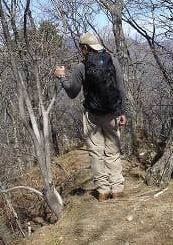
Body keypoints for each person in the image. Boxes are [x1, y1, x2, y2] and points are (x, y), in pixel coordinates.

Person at [54, 32, 127, 202]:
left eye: (82, 48)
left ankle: (103, 191)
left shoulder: (81, 67)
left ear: (85, 48)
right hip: (112, 113)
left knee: (96, 152)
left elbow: (72, 92)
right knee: (113, 152)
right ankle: (117, 189)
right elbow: (121, 89)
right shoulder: (113, 61)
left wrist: (62, 77)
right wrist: (122, 111)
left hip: (92, 115)